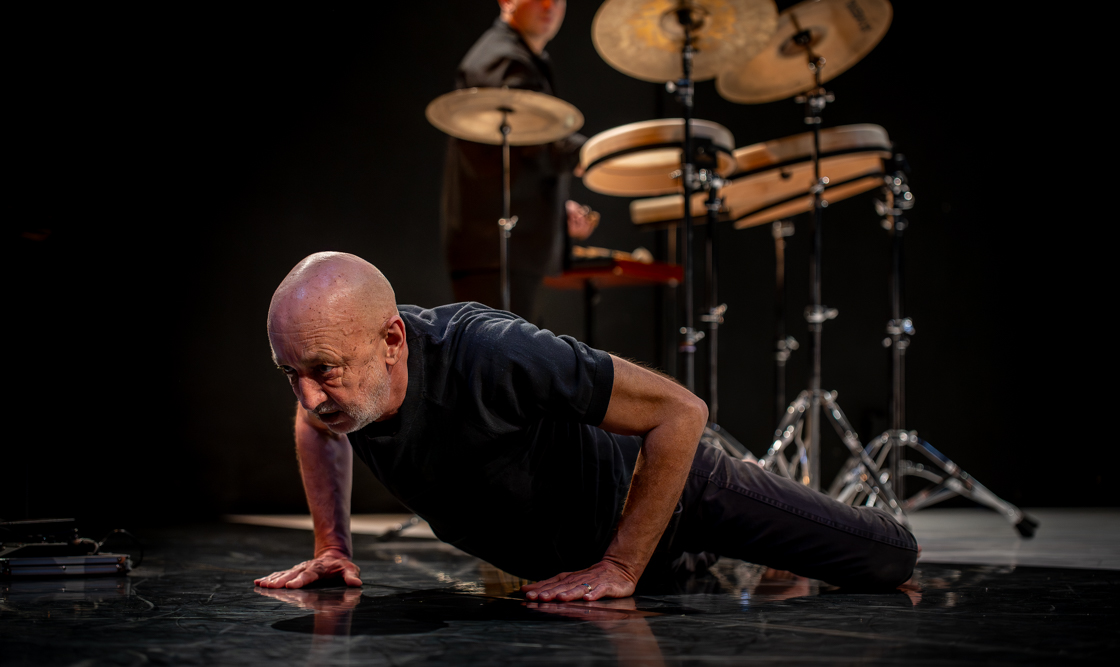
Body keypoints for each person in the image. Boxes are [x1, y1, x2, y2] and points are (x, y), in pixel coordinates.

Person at [256, 252, 918, 600]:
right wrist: (332, 544)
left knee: (888, 558)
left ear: (393, 340)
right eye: (291, 373)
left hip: (679, 494)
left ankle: (759, 524)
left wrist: (620, 564)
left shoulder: (493, 352)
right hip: (583, 560)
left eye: (323, 370)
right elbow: (314, 425)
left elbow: (680, 411)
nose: (309, 396)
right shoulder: (342, 389)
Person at [442, 0, 597, 322]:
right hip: (493, 249)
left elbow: (516, 159)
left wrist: (557, 209)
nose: (550, 5)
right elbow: (541, 140)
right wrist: (603, 155)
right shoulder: (500, 57)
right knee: (497, 355)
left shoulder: (523, 56)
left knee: (512, 352)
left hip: (509, 248)